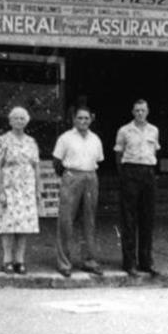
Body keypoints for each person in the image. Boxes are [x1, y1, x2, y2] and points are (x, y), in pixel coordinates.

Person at [51, 107, 104, 278]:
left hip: (91, 176)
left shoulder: (95, 139)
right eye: (80, 118)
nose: (83, 121)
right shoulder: (65, 138)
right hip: (72, 175)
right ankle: (64, 263)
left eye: (86, 118)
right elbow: (57, 162)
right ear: (74, 119)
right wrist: (69, 176)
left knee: (89, 220)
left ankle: (89, 261)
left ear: (91, 119)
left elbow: (98, 160)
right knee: (66, 219)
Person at [115, 99, 161, 277]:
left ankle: (146, 262)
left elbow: (154, 152)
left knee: (147, 218)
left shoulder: (154, 130)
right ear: (132, 112)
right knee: (129, 219)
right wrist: (125, 175)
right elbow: (119, 154)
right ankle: (129, 263)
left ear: (148, 111)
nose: (140, 113)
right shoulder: (124, 130)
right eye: (137, 111)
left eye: (143, 110)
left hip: (148, 172)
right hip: (130, 172)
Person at [0, 106, 40, 275]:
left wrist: (37, 189)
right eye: (16, 118)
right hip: (9, 186)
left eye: (22, 118)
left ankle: (20, 260)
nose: (19, 121)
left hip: (26, 187)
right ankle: (7, 260)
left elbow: (36, 166)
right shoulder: (2, 141)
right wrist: (1, 190)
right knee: (8, 225)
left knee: (24, 226)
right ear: (10, 121)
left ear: (26, 121)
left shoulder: (31, 142)